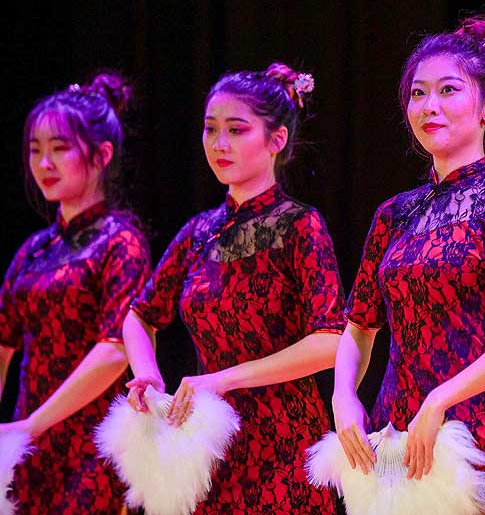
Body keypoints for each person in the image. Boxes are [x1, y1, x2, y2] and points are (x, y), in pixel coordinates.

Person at [332, 14, 485, 515]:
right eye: (417, 93)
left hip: (467, 429)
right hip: (390, 431)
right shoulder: (394, 213)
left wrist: (442, 398)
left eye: (448, 90)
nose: (429, 106)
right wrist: (344, 396)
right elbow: (359, 327)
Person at [123, 63, 343, 514]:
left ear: (276, 140)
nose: (219, 144)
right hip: (210, 451)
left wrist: (223, 379)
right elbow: (139, 315)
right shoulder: (198, 232)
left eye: (237, 130)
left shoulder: (300, 225)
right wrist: (147, 372)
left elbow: (330, 342)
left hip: (284, 446)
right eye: (210, 130)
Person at [0, 72, 151, 514]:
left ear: (102, 155)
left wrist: (31, 425)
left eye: (59, 149)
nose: (44, 163)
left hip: (92, 449)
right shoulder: (34, 250)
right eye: (35, 151)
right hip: (30, 449)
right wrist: (22, 432)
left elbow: (115, 351)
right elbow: (4, 344)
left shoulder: (121, 242)